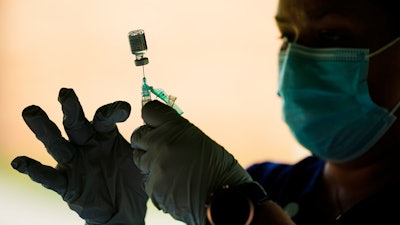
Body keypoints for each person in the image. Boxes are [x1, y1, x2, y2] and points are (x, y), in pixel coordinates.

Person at [11, 0, 400, 224]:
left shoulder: (243, 197)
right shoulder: (269, 186)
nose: (295, 60)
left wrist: (239, 211)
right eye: (287, 36)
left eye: (332, 35)